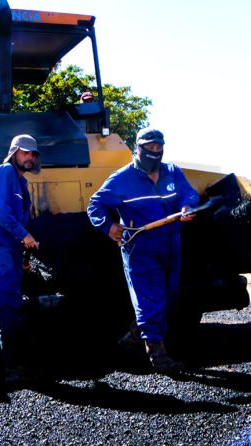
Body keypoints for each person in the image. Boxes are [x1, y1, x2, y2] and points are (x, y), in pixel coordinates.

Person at [87, 127, 199, 373]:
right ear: (138, 148)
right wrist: (108, 226)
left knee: (167, 300)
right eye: (150, 147)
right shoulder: (121, 179)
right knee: (150, 301)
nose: (155, 151)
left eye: (159, 147)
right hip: (140, 250)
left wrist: (188, 206)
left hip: (171, 247)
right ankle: (158, 357)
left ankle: (130, 340)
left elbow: (189, 194)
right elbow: (95, 205)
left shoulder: (172, 172)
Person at [0, 134, 41, 381]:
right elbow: (0, 213)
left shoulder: (20, 181)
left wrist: (22, 256)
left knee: (11, 302)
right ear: (14, 153)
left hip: (8, 249)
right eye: (25, 152)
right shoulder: (6, 172)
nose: (29, 157)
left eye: (33, 153)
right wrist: (25, 236)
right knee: (6, 304)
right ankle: (13, 368)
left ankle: (14, 363)